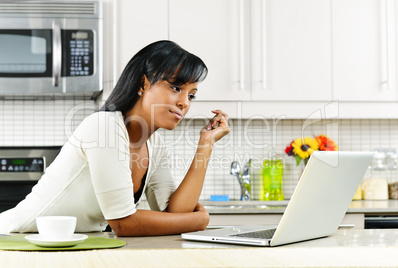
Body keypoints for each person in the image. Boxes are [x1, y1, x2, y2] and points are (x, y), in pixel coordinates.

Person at [0, 40, 230, 236]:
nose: (185, 102)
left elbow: (173, 214)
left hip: (73, 245)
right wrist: (198, 221)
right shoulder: (104, 128)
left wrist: (206, 144)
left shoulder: (155, 145)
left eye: (191, 95)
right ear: (143, 83)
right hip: (17, 241)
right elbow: (123, 223)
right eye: (176, 87)